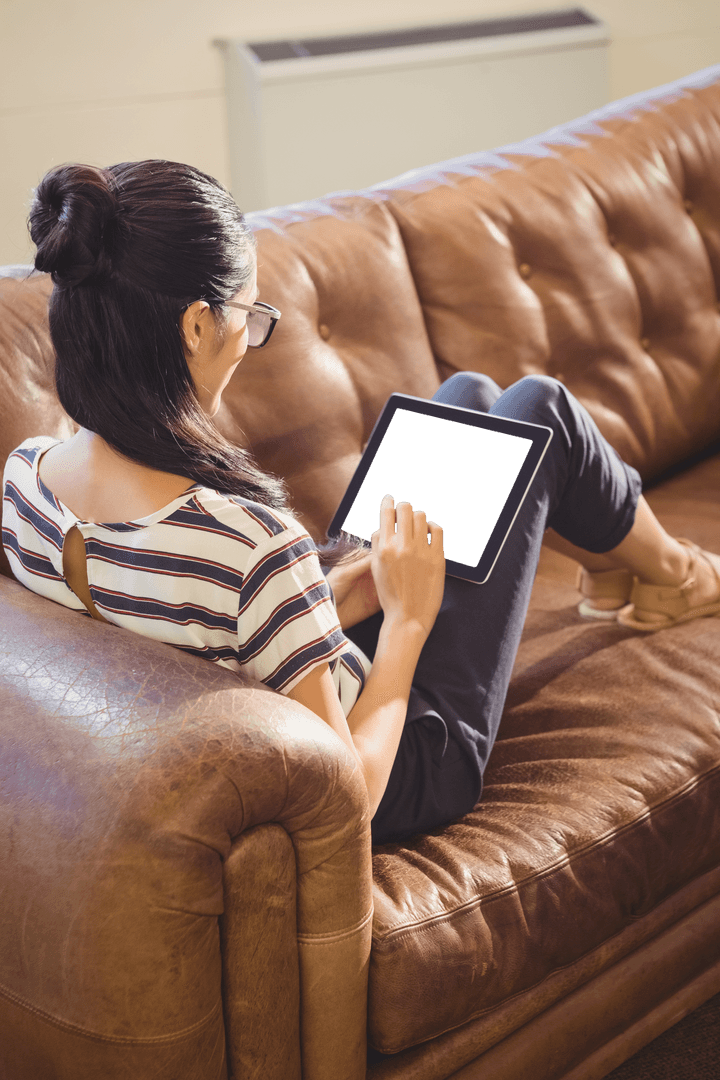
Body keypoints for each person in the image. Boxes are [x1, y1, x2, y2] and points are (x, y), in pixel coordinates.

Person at [3, 161, 720, 847]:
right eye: (250, 316)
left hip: (298, 674)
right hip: (408, 761)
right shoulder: (251, 544)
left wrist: (323, 599)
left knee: (467, 399)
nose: (249, 339)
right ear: (195, 325)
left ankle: (619, 569)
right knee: (540, 408)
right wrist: (406, 622)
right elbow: (350, 795)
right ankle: (677, 574)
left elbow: (187, 617)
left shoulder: (27, 479)